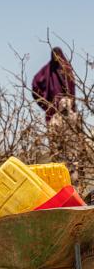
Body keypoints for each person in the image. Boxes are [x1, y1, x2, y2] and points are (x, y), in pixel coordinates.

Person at [32, 47, 84, 187]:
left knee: (72, 153)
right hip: (55, 115)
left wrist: (69, 105)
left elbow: (71, 89)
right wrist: (47, 105)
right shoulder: (47, 70)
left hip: (69, 117)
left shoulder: (66, 69)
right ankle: (61, 183)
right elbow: (35, 85)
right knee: (57, 153)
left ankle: (74, 183)